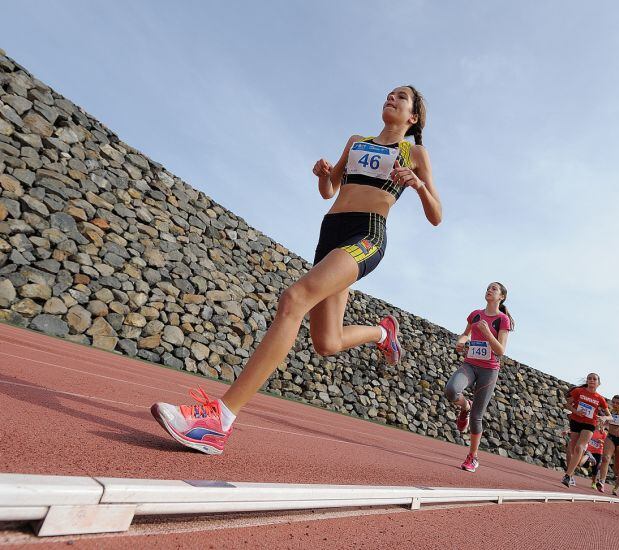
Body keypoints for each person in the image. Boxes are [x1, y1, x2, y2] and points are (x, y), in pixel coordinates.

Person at [151, 86, 442, 454]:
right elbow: (330, 189)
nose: (391, 99)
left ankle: (219, 419)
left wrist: (418, 185)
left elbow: (437, 215)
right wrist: (323, 173)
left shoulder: (414, 152)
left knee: (293, 300)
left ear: (412, 116)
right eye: (389, 94)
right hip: (330, 232)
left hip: (367, 233)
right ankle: (381, 333)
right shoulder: (356, 141)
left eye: (401, 98)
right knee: (327, 342)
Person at [445, 282, 512, 472]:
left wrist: (487, 333)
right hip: (470, 365)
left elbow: (500, 350)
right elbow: (466, 334)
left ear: (501, 297)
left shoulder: (502, 320)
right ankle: (465, 406)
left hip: (489, 370)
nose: (489, 290)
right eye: (488, 287)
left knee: (477, 417)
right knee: (451, 390)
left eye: (494, 289)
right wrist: (461, 341)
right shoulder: (475, 314)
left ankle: (472, 457)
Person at [561, 373, 611, 487]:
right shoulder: (578, 391)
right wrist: (576, 411)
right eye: (589, 378)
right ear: (587, 381)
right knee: (573, 450)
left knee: (579, 447)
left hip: (590, 424)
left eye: (594, 379)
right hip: (576, 421)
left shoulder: (600, 399)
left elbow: (610, 416)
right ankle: (587, 457)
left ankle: (567, 476)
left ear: (598, 383)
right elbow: (567, 405)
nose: (591, 380)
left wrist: (604, 417)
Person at [584, 424, 607, 489]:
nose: (598, 423)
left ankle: (593, 482)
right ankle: (590, 464)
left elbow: (606, 443)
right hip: (589, 451)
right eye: (597, 422)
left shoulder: (603, 433)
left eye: (599, 422)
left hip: (598, 452)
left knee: (595, 468)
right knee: (585, 464)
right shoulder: (591, 430)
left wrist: (601, 441)